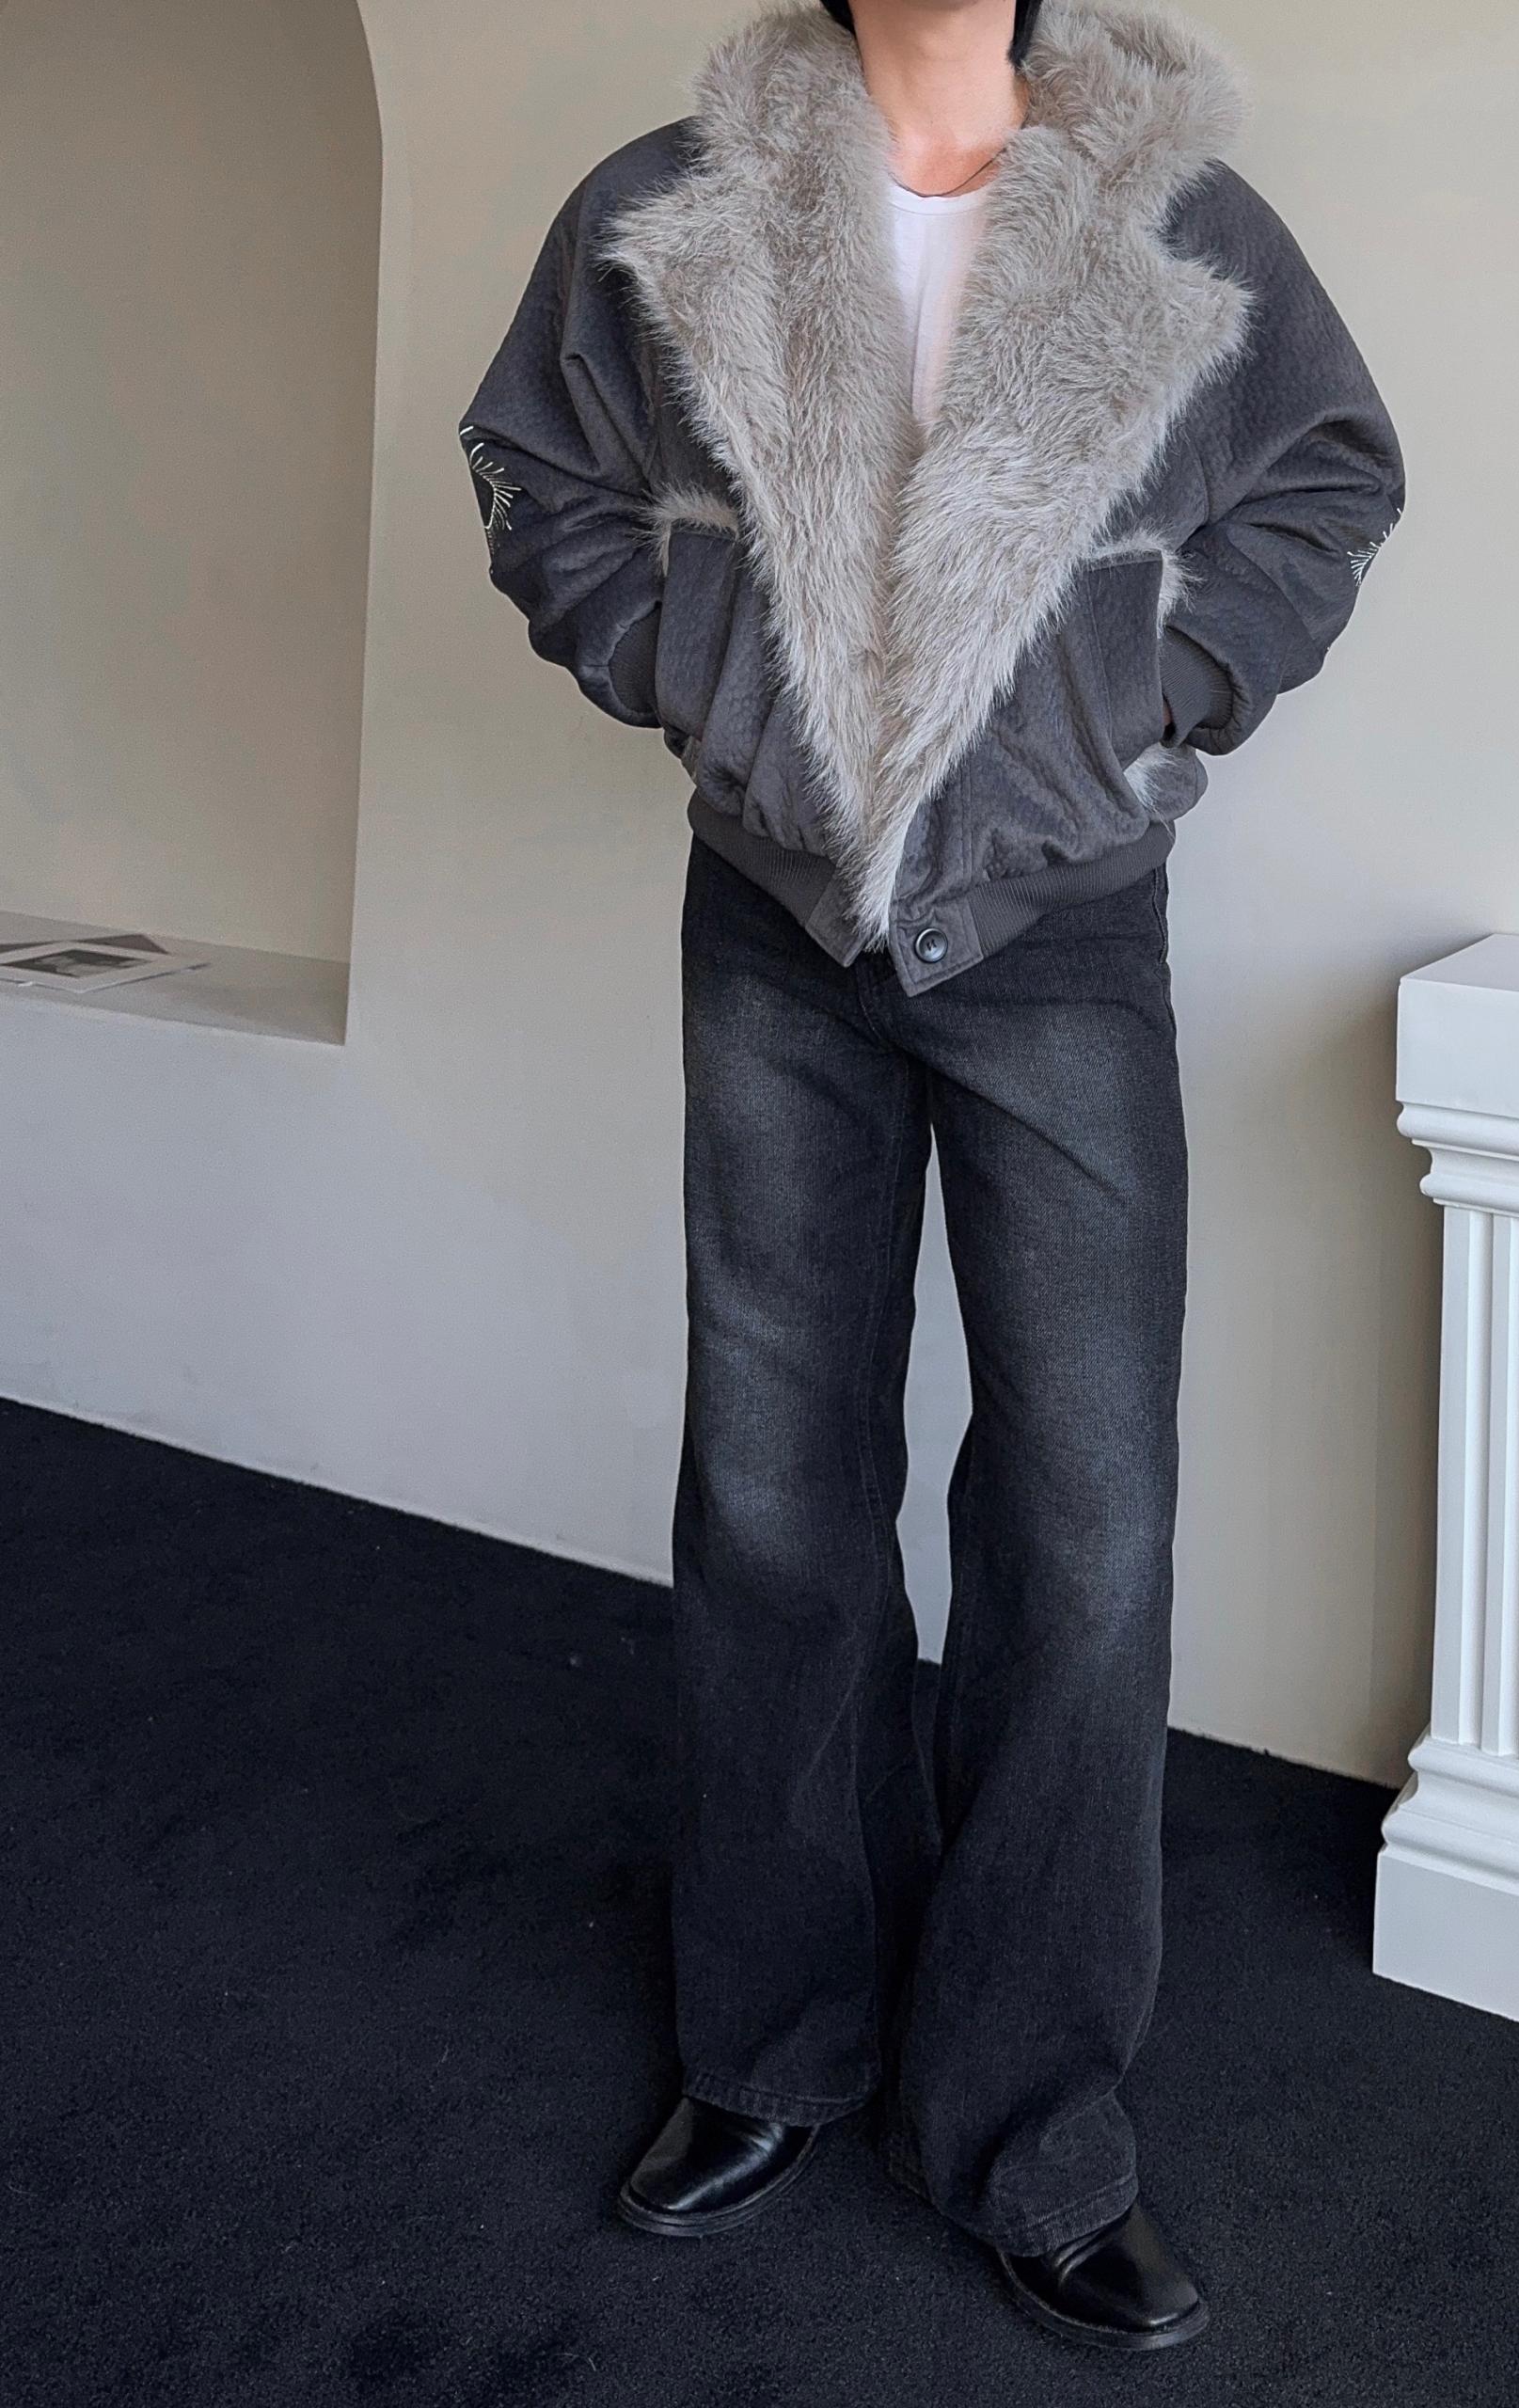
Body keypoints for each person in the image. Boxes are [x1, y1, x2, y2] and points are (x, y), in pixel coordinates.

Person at [461, 0, 1403, 2354]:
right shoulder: (667, 203)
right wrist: (705, 669)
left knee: (1085, 1526)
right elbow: (535, 472)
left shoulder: (1179, 212)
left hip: (1062, 934)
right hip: (775, 923)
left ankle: (1032, 2123)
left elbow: (1329, 480)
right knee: (775, 1492)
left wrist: (1135, 700)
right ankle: (772, 2042)